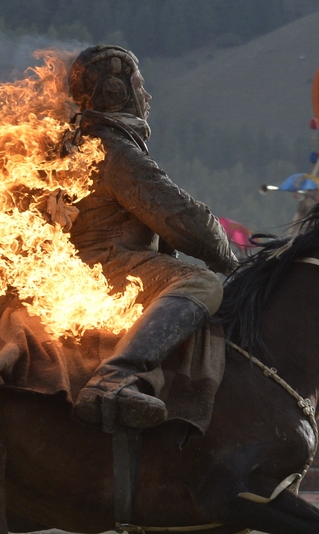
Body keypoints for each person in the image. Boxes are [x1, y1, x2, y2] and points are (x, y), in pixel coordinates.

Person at [65, 45, 239, 430]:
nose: (147, 96)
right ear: (116, 93)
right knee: (199, 282)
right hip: (106, 267)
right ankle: (115, 379)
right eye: (140, 86)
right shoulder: (114, 151)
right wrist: (229, 259)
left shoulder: (81, 143)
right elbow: (184, 221)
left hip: (78, 269)